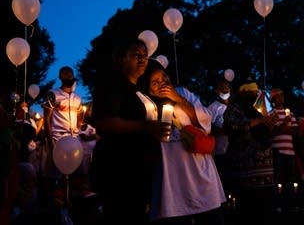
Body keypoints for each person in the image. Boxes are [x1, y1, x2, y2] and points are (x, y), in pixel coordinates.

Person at [90, 38, 167, 224]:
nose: (142, 60)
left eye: (145, 56)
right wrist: (145, 126)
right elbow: (104, 122)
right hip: (120, 170)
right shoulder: (112, 86)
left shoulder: (139, 90)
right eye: (136, 55)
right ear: (122, 59)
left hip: (140, 168)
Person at [146, 66, 226, 225]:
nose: (162, 83)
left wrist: (179, 99)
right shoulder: (147, 104)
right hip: (172, 178)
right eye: (155, 82)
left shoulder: (182, 93)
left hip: (200, 172)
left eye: (163, 78)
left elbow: (205, 123)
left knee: (210, 217)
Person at [223, 79, 275, 221]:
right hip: (245, 165)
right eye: (251, 92)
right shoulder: (234, 108)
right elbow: (231, 126)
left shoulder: (261, 108)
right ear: (243, 93)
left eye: (255, 92)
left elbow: (269, 131)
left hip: (265, 167)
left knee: (264, 208)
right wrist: (259, 121)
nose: (254, 94)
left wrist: (270, 124)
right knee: (247, 209)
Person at [268, 88, 299, 212]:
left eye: (282, 95)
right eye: (279, 96)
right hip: (277, 151)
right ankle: (277, 205)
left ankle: (290, 204)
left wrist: (283, 128)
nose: (281, 98)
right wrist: (284, 125)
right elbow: (272, 131)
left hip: (290, 151)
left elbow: (296, 131)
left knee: (290, 179)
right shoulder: (271, 114)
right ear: (274, 99)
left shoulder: (289, 114)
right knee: (277, 179)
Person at [207, 76, 231, 192]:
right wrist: (222, 130)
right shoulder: (212, 107)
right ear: (216, 91)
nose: (225, 90)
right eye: (222, 88)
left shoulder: (233, 106)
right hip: (220, 151)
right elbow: (207, 126)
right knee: (222, 179)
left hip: (233, 150)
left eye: (227, 87)